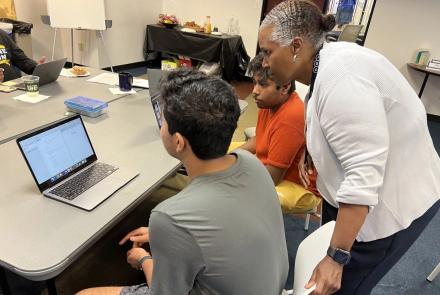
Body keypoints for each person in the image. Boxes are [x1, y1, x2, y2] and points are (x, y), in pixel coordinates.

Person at [259, 0, 440, 294]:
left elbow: (363, 174)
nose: (264, 62)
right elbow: (334, 122)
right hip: (356, 200)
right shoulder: (325, 63)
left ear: (295, 47)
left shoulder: (342, 77)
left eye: (267, 52)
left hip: (388, 208)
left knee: (342, 287)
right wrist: (312, 150)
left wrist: (336, 256)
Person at [76, 69, 289, 295]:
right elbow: (229, 223)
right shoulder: (251, 163)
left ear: (179, 142)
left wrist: (145, 260)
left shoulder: (171, 216)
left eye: (164, 121)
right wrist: (171, 236)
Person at [238, 53, 320, 210]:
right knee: (220, 154)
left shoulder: (290, 117)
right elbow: (259, 140)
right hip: (273, 169)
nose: (254, 91)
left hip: (299, 187)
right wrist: (228, 157)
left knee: (227, 185)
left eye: (262, 85)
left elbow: (271, 178)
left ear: (285, 87)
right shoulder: (268, 102)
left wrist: (228, 169)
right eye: (254, 83)